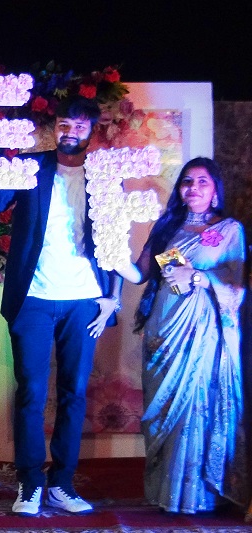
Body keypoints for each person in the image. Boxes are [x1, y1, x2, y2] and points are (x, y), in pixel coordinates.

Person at [0, 96, 122, 516]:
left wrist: (113, 299)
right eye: (64, 125)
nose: (70, 132)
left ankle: (62, 485)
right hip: (34, 298)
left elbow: (117, 237)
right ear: (55, 128)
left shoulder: (105, 176)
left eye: (79, 126)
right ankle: (30, 484)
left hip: (85, 302)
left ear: (91, 131)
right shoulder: (31, 167)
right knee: (31, 393)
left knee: (74, 393)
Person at [115, 157, 248, 514]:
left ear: (215, 191)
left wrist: (199, 277)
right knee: (161, 409)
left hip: (202, 331)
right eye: (187, 181)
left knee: (194, 403)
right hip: (163, 329)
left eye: (203, 182)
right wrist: (111, 253)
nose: (193, 188)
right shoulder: (167, 226)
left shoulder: (229, 230)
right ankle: (165, 493)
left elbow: (237, 288)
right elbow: (140, 274)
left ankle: (196, 495)